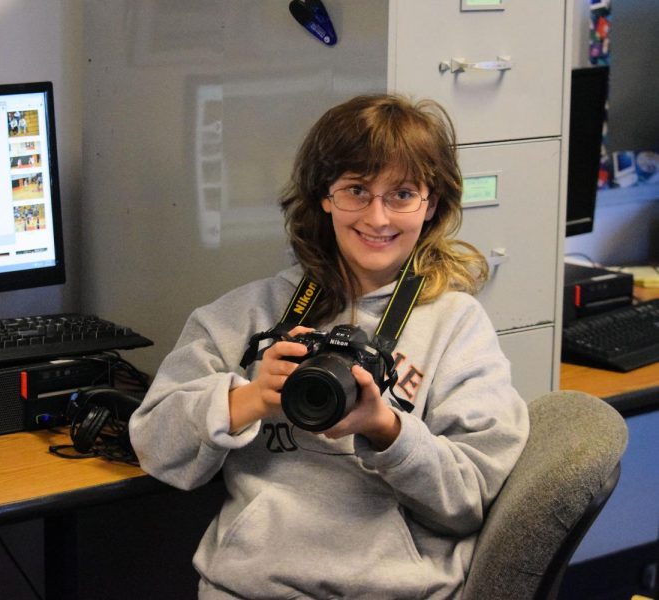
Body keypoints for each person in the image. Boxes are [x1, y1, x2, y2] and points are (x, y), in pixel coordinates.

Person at [128, 94, 529, 599]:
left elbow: (471, 500)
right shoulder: (249, 314)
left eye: (402, 194)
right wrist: (252, 398)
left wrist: (386, 429)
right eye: (357, 190)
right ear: (324, 195)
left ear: (431, 205)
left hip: (398, 590)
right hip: (253, 587)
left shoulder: (457, 326)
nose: (378, 218)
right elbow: (154, 446)